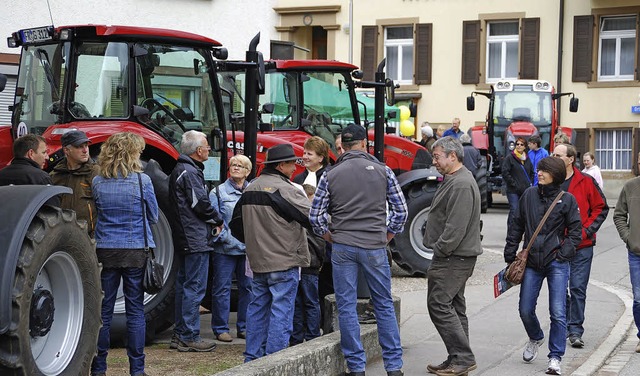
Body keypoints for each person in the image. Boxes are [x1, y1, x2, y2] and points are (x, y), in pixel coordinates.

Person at [309, 123, 407, 376]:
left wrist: (330, 236)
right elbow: (401, 211)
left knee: (346, 305)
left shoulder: (330, 174)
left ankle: (356, 367)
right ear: (365, 144)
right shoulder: (383, 171)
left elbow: (316, 216)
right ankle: (394, 367)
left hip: (343, 245)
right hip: (374, 244)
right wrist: (387, 234)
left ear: (343, 145)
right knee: (383, 304)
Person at [230, 143, 312, 362]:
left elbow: (235, 225)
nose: (295, 167)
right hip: (284, 261)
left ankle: (251, 360)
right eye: (292, 163)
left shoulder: (250, 188)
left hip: (258, 262)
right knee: (281, 313)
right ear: (281, 165)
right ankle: (274, 363)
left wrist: (256, 244)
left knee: (257, 310)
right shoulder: (286, 189)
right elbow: (312, 218)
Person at [504, 156, 582, 376]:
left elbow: (576, 232)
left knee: (557, 312)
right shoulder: (528, 195)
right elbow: (516, 224)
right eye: (538, 170)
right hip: (531, 263)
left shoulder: (567, 200)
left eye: (544, 170)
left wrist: (563, 254)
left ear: (555, 174)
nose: (539, 173)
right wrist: (510, 253)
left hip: (556, 262)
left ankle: (555, 357)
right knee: (525, 309)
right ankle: (536, 336)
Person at [90, 132, 159, 376]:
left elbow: (96, 212)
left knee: (104, 312)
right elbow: (153, 216)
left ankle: (98, 368)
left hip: (106, 248)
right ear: (132, 153)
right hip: (135, 250)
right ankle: (137, 369)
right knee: (135, 311)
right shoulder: (142, 181)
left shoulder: (98, 181)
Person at [423, 136, 482, 376]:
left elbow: (455, 227)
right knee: (454, 307)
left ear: (452, 156)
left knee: (438, 303)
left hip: (453, 257)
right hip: (454, 255)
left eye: (437, 157)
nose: (434, 161)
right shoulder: (456, 179)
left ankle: (464, 358)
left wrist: (441, 249)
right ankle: (458, 359)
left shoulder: (460, 183)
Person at [168, 130, 224, 352]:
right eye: (207, 145)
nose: (210, 148)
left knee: (184, 286)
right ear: (199, 150)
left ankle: (179, 334)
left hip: (186, 236)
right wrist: (217, 219)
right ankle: (189, 335)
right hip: (195, 238)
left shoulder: (182, 169)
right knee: (194, 287)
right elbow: (200, 203)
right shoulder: (189, 172)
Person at [552, 143, 608, 348]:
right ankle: (564, 324)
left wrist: (585, 231)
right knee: (559, 288)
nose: (554, 157)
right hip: (557, 244)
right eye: (553, 154)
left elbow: (601, 208)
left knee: (577, 287)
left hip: (582, 245)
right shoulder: (550, 181)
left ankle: (575, 330)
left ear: (570, 159)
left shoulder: (586, 181)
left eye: (558, 155)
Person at [209, 154, 253, 343]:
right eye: (233, 165)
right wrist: (234, 242)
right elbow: (215, 225)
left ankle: (244, 327)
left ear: (248, 171)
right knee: (221, 289)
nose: (235, 168)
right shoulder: (217, 193)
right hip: (225, 250)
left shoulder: (253, 191)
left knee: (249, 288)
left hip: (248, 251)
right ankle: (220, 328)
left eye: (240, 166)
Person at [290, 183, 326, 346]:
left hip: (302, 264)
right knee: (309, 302)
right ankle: (310, 335)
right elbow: (321, 244)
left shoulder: (298, 215)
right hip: (310, 265)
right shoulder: (317, 218)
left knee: (301, 302)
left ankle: (301, 336)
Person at [613, 152, 640, 354]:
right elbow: (619, 215)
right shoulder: (630, 187)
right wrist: (628, 238)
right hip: (636, 252)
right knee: (639, 298)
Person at [50, 130, 99, 236]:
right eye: (79, 146)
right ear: (66, 150)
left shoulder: (96, 173)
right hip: (60, 236)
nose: (85, 150)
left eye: (86, 146)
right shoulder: (55, 175)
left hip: (89, 238)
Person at [502, 137, 534, 225]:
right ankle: (511, 233)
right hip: (513, 190)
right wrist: (513, 183)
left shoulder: (527, 158)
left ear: (525, 147)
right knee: (514, 210)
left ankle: (519, 231)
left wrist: (529, 183)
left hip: (524, 190)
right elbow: (505, 172)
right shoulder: (510, 158)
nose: (519, 146)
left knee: (523, 211)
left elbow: (531, 172)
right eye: (517, 144)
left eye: (521, 144)